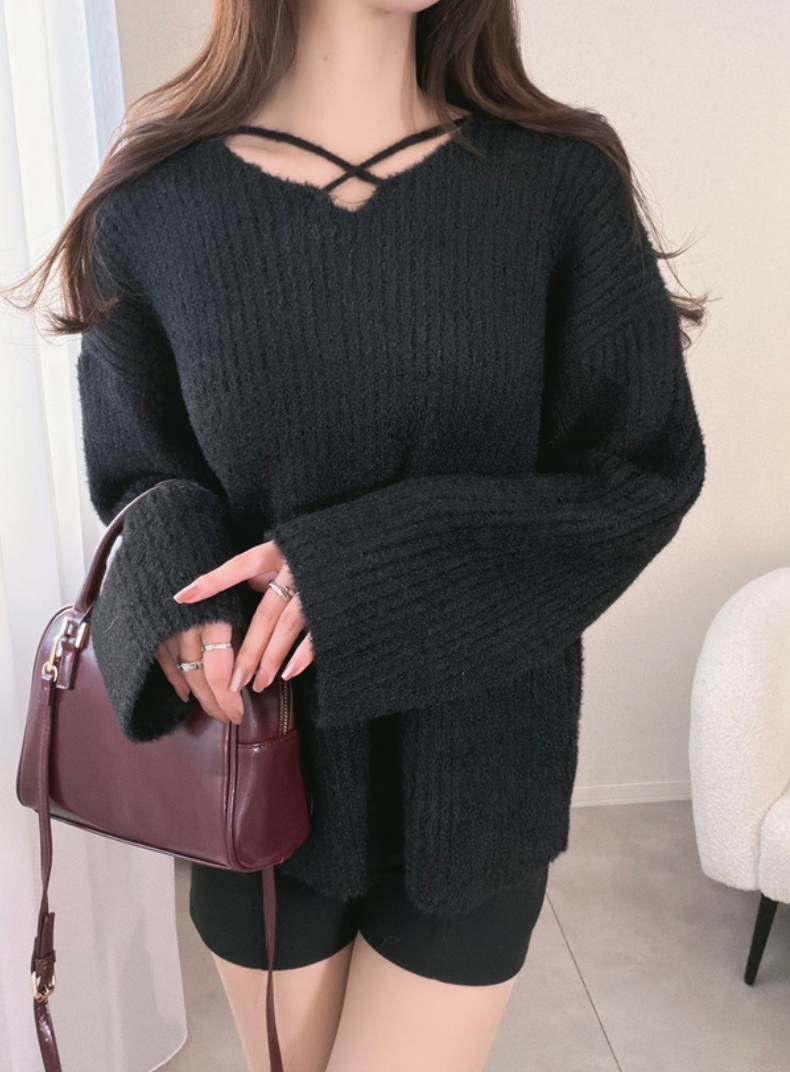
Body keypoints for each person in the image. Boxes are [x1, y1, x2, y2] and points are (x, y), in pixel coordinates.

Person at [7, 1, 708, 1070]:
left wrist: (357, 575)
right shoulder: (153, 198)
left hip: (479, 775)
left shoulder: (557, 185)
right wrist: (181, 595)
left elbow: (639, 472)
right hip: (255, 764)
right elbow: (141, 471)